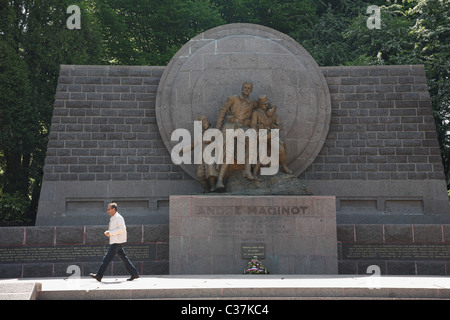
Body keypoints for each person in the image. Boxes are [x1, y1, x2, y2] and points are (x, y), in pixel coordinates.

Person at [215, 82, 258, 190]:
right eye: (245, 88)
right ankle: (219, 180)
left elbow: (258, 114)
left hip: (243, 127)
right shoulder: (233, 98)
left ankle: (247, 170)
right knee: (227, 152)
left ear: (251, 90)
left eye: (249, 88)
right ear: (242, 88)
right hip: (231, 126)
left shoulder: (253, 103)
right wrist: (218, 128)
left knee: (252, 139)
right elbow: (222, 111)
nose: (247, 89)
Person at [90, 203, 139, 282]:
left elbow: (122, 229)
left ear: (113, 209)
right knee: (124, 258)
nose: (107, 211)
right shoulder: (114, 218)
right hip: (116, 241)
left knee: (106, 258)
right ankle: (134, 273)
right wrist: (110, 233)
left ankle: (99, 275)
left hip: (117, 242)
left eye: (109, 209)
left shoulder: (118, 217)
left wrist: (110, 233)